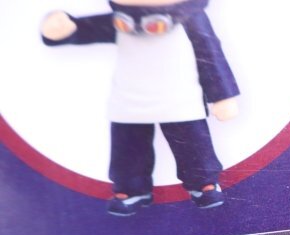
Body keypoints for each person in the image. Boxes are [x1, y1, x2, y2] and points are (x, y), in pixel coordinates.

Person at [41, 0, 239, 216]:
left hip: (180, 96)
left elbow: (211, 55)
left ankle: (203, 183)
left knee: (192, 143)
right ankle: (130, 188)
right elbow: (90, 30)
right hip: (130, 97)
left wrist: (222, 96)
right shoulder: (121, 21)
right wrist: (66, 30)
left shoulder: (192, 19)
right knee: (128, 147)